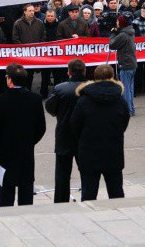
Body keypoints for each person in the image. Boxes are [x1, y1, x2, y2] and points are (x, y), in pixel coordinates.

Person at [0, 63, 46, 206]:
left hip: (5, 153)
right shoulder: (35, 99)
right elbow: (41, 127)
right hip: (26, 152)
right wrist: (29, 140)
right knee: (26, 191)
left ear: (9, 80)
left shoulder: (0, 101)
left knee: (6, 194)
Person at [71, 64, 130, 201]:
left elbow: (75, 125)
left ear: (94, 77)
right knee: (116, 193)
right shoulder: (120, 100)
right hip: (113, 151)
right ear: (112, 77)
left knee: (88, 194)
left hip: (89, 152)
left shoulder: (84, 100)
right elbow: (124, 122)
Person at [45, 59, 87, 203]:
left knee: (62, 174)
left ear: (69, 72)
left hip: (65, 134)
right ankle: (88, 198)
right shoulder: (91, 88)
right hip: (85, 135)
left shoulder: (60, 89)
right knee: (87, 173)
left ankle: (61, 202)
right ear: (84, 71)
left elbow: (50, 107)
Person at [12, 3, 46, 90]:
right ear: (25, 12)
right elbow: (15, 38)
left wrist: (38, 48)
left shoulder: (39, 23)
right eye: (30, 11)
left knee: (30, 74)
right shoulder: (18, 23)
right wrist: (23, 49)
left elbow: (43, 37)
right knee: (23, 74)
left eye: (33, 11)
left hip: (35, 53)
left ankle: (28, 91)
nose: (32, 12)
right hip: (23, 54)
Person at [109, 12, 137, 116]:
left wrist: (112, 34)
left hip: (125, 63)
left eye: (118, 21)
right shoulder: (129, 31)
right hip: (131, 63)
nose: (116, 23)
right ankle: (131, 109)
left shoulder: (123, 35)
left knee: (125, 89)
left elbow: (112, 45)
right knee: (130, 88)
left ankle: (127, 110)